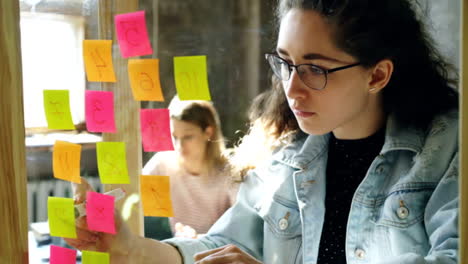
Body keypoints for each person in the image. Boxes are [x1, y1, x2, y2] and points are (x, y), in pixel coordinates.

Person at [65, 0, 460, 263]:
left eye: (315, 68)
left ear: (377, 75)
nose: (291, 87)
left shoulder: (446, 151)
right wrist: (131, 247)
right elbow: (220, 246)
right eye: (285, 63)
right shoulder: (290, 157)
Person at [142, 95, 237, 237]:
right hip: (179, 250)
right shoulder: (164, 163)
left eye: (188, 137)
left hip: (217, 250)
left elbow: (242, 227)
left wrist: (198, 238)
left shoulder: (229, 171)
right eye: (174, 137)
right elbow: (132, 193)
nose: (179, 146)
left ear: (208, 132)